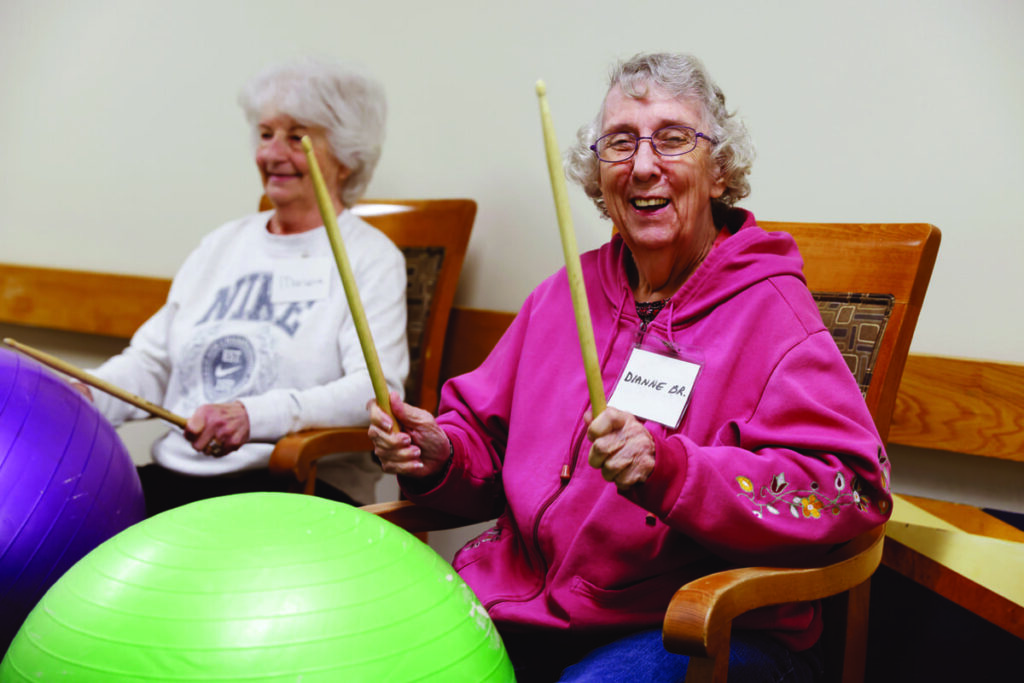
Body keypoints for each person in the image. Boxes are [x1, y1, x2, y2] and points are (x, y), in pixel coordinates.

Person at [368, 52, 891, 682]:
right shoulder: (566, 294)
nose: (644, 165)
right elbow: (485, 441)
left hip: (691, 628)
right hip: (524, 611)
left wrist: (672, 471)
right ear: (598, 177)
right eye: (620, 143)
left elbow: (850, 489)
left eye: (673, 139)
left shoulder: (773, 313)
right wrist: (441, 455)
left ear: (720, 171)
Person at [78, 58, 408, 516]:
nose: (273, 154)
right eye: (266, 133)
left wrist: (254, 417)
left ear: (348, 156)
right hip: (177, 481)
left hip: (290, 489)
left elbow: (373, 392)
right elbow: (152, 362)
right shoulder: (221, 244)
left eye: (297, 137)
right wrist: (86, 395)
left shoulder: (371, 258)